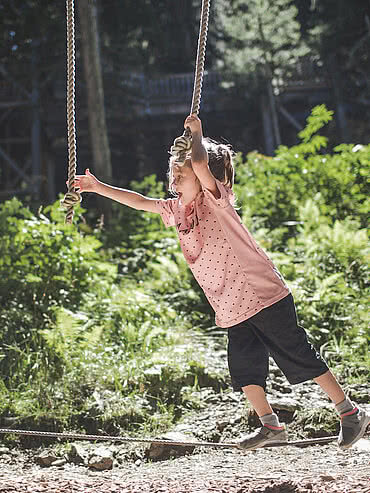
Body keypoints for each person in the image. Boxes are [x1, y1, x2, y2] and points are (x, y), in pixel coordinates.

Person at [73, 114, 369, 450]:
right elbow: (140, 202)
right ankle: (271, 426)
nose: (173, 178)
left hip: (262, 294)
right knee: (244, 368)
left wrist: (197, 135)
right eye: (172, 172)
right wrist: (98, 188)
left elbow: (200, 163)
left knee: (296, 353)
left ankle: (350, 412)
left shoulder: (217, 202)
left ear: (203, 178)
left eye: (180, 173)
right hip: (231, 305)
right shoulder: (177, 210)